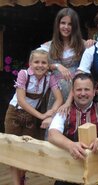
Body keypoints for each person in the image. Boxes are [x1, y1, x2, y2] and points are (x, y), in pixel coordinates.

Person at [48, 73, 98, 185]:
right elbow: (52, 134)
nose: (83, 93)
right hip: (71, 167)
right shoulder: (64, 111)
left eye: (87, 89)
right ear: (72, 92)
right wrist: (71, 145)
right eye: (79, 90)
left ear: (93, 92)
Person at [4, 49, 63, 185]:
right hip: (14, 114)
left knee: (27, 150)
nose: (40, 65)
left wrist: (50, 113)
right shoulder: (23, 74)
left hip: (31, 117)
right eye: (36, 62)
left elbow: (59, 99)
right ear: (30, 63)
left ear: (48, 65)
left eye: (44, 62)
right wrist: (41, 115)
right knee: (13, 149)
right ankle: (16, 183)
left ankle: (22, 177)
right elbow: (21, 100)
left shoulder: (50, 77)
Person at [41, 8, 94, 127]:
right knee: (55, 128)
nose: (66, 27)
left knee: (76, 127)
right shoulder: (49, 46)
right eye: (63, 23)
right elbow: (37, 65)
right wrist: (57, 65)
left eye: (70, 24)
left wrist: (92, 43)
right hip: (56, 95)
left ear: (75, 26)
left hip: (79, 94)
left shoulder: (83, 45)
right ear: (57, 25)